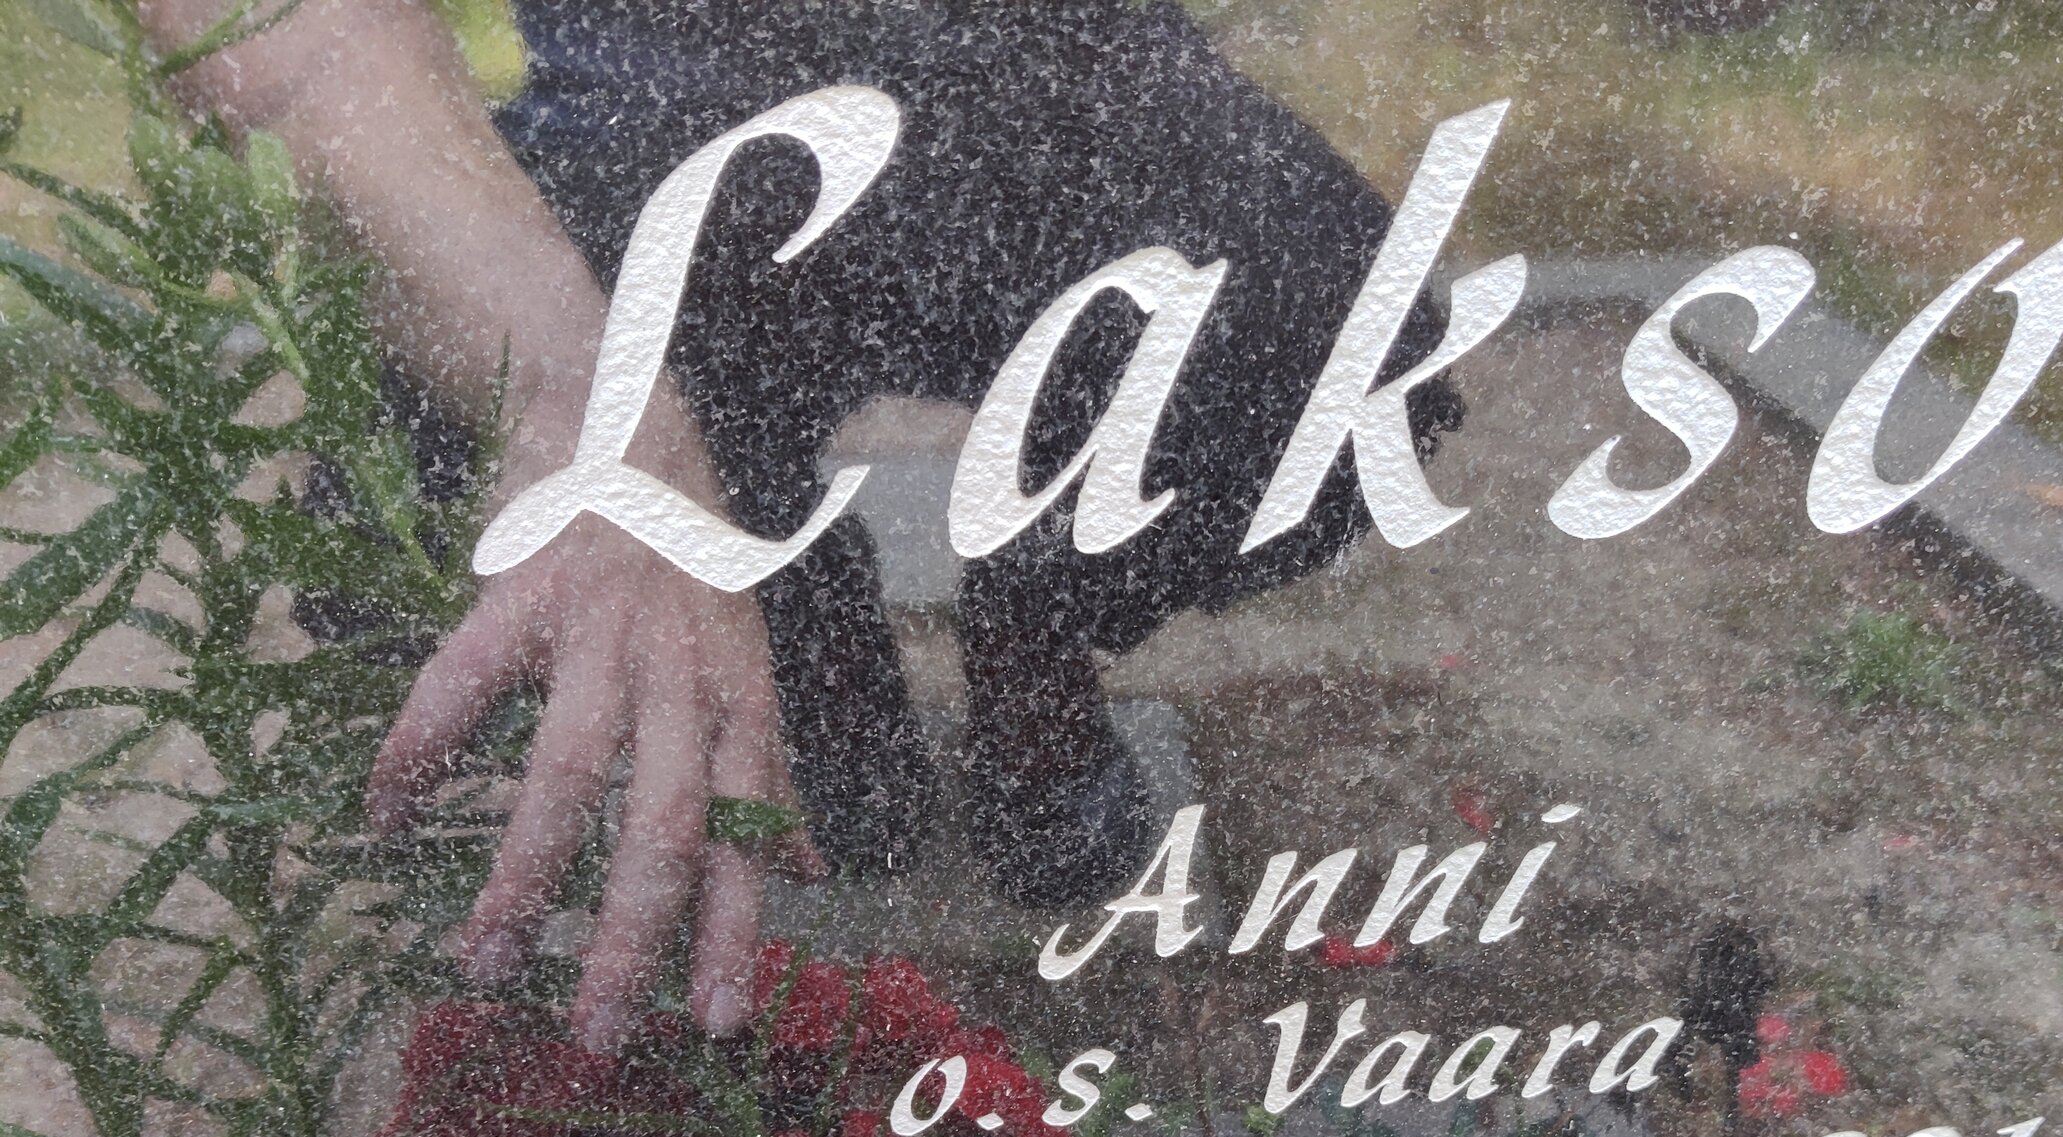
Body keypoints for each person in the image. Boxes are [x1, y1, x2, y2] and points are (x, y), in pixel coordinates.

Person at [139, 0, 1457, 1050]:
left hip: (1062, 88)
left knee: (1346, 347)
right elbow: (300, 36)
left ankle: (1034, 614)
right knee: (402, 505)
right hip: (655, 116)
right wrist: (575, 405)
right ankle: (802, 637)